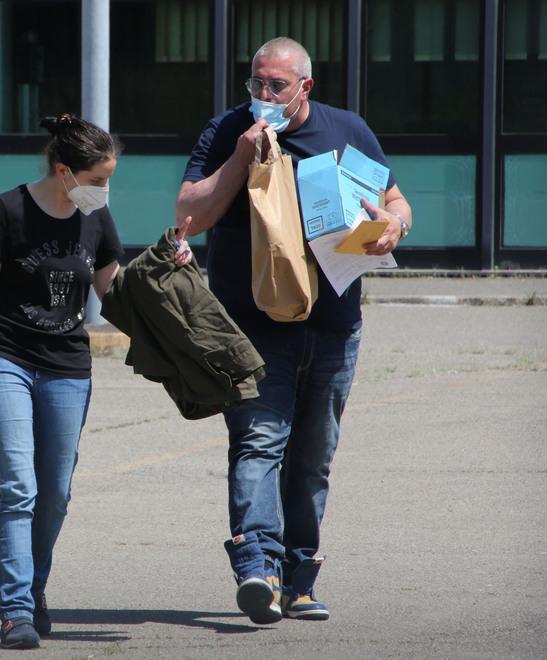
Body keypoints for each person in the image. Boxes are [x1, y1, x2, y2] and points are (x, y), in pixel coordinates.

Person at [0, 113, 191, 649]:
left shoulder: (97, 218)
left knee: (56, 494)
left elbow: (117, 292)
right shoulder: (9, 209)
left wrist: (168, 264)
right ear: (65, 171)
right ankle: (15, 607)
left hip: (67, 366)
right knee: (18, 485)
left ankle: (35, 587)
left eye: (108, 179)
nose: (104, 190)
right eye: (97, 180)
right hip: (3, 359)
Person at [176, 37, 413, 624]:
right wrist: (239, 156)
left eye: (275, 86)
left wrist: (394, 227)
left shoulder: (346, 129)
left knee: (312, 458)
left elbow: (394, 200)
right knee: (258, 443)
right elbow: (189, 214)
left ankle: (300, 577)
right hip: (251, 328)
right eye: (255, 82)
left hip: (333, 326)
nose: (262, 94)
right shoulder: (226, 129)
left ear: (304, 88)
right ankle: (257, 566)